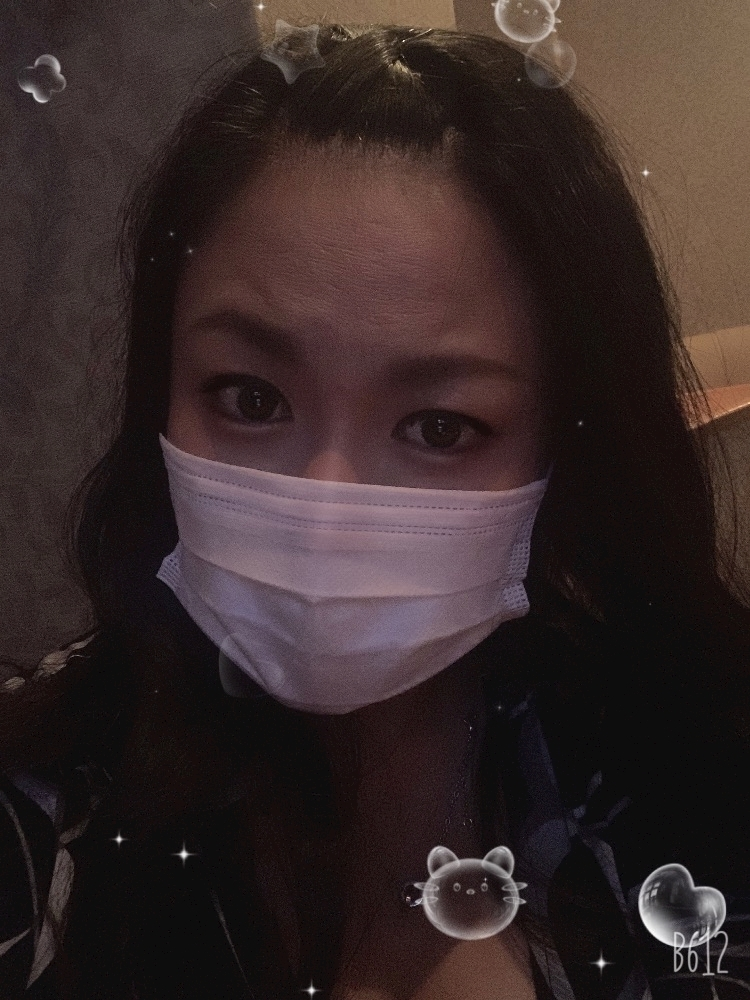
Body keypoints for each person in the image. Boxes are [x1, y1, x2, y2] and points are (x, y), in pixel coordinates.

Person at [1, 21, 749, 1000]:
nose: (326, 515)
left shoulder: (692, 777)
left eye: (439, 426)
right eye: (251, 398)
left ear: (561, 448)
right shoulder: (36, 806)